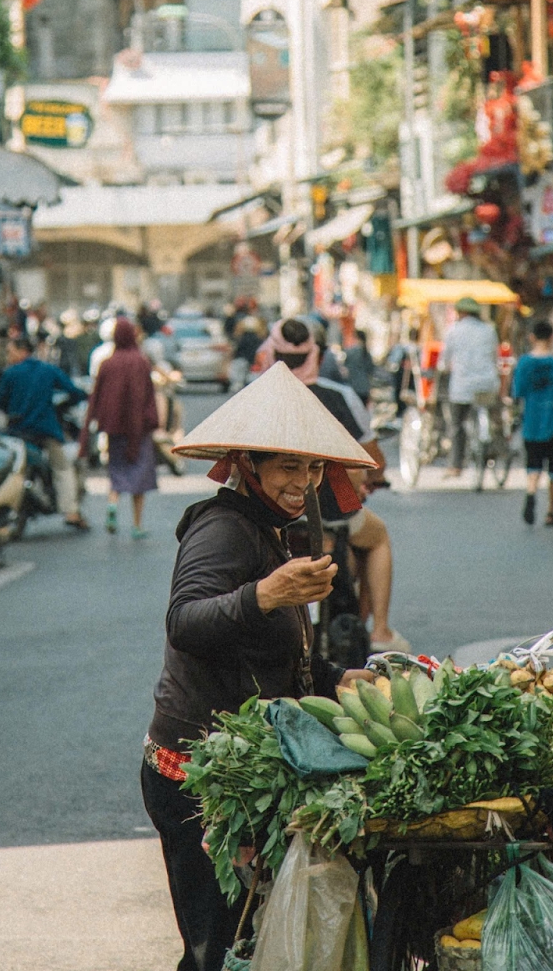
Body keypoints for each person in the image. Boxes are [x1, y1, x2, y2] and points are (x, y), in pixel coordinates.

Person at [143, 365, 379, 971]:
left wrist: (331, 678)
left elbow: (269, 647)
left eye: (312, 468)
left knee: (239, 933)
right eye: (287, 468)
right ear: (249, 467)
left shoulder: (274, 530)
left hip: (244, 762)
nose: (305, 482)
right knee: (215, 944)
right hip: (193, 773)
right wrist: (265, 595)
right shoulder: (222, 528)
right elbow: (185, 622)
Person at [259, 317, 404, 653]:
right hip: (333, 515)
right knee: (378, 537)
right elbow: (372, 458)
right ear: (317, 354)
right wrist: (372, 477)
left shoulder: (257, 398)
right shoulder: (339, 397)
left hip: (272, 516)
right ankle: (380, 629)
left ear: (271, 353)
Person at [0, 338, 90, 530]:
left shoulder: (11, 373)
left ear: (23, 351)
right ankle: (70, 511)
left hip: (17, 432)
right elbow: (74, 391)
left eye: (10, 351)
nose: (8, 356)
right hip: (46, 430)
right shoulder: (47, 370)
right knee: (62, 468)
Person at [87, 318, 160, 538]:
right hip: (138, 430)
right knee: (140, 476)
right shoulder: (141, 361)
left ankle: (112, 505)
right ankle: (137, 525)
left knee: (117, 471)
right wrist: (153, 421)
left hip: (114, 428)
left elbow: (98, 396)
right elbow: (148, 395)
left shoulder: (107, 363)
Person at [513, 317, 553, 526]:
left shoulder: (524, 363)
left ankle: (530, 492)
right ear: (552, 338)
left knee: (533, 465)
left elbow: (518, 391)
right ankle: (551, 511)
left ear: (532, 337)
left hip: (531, 422)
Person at [438, 298, 501, 479]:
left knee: (457, 424)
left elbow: (444, 360)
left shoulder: (454, 331)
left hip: (462, 386)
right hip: (487, 384)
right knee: (491, 413)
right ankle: (493, 443)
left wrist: (444, 367)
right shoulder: (489, 330)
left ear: (461, 313)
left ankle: (456, 465)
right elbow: (494, 357)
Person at [343, 330, 375, 407]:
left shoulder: (350, 352)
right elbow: (371, 370)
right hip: (364, 388)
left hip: (353, 387)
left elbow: (345, 369)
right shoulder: (367, 353)